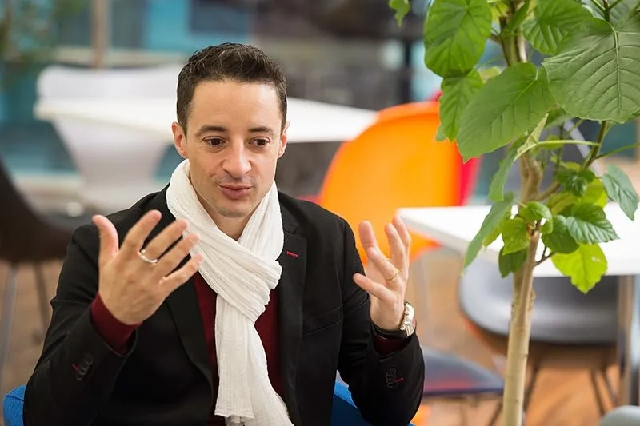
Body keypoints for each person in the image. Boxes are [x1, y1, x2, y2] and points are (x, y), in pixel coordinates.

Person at [23, 43, 424, 426]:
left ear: (281, 142)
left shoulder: (325, 240)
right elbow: (44, 416)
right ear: (181, 139)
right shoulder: (109, 249)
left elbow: (389, 414)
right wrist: (110, 320)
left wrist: (391, 330)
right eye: (215, 141)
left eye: (258, 142)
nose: (238, 165)